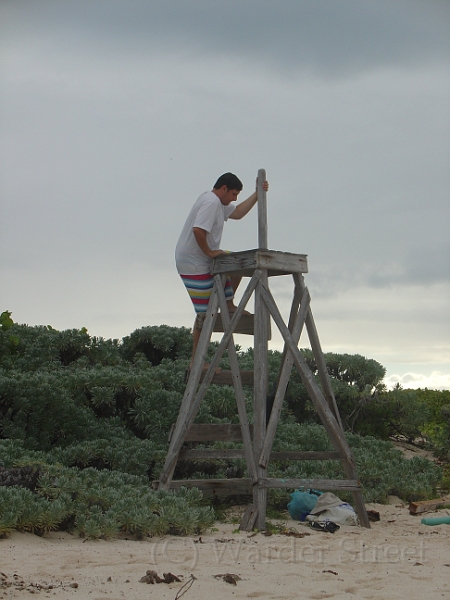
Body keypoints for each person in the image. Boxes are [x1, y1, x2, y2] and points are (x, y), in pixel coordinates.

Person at [175, 172, 269, 366]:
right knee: (206, 313)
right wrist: (209, 253)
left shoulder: (219, 203)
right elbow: (198, 230)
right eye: (234, 194)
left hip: (202, 258)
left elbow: (239, 213)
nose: (235, 199)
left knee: (236, 262)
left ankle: (228, 303)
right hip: (193, 262)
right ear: (224, 189)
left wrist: (257, 194)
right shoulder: (211, 202)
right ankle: (197, 360)